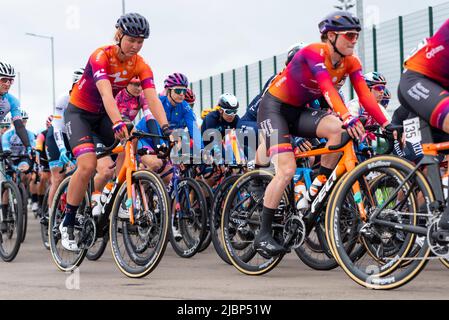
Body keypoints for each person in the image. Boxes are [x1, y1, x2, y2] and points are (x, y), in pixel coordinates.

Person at [254, 11, 391, 257]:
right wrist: (348, 116)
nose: (353, 40)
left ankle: (316, 190)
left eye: (356, 36)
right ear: (331, 36)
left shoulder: (352, 62)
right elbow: (327, 88)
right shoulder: (313, 52)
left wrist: (386, 124)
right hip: (273, 108)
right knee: (286, 170)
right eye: (349, 35)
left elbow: (365, 97)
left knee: (339, 132)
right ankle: (263, 234)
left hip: (299, 111)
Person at [60, 13, 171, 251]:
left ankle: (113, 193)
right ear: (119, 35)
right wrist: (118, 121)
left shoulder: (140, 65)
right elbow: (106, 94)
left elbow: (152, 99)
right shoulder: (101, 56)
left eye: (141, 41)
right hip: (79, 115)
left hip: (101, 117)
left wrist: (166, 129)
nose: (136, 45)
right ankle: (67, 222)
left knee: (130, 144)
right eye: (131, 39)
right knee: (88, 166)